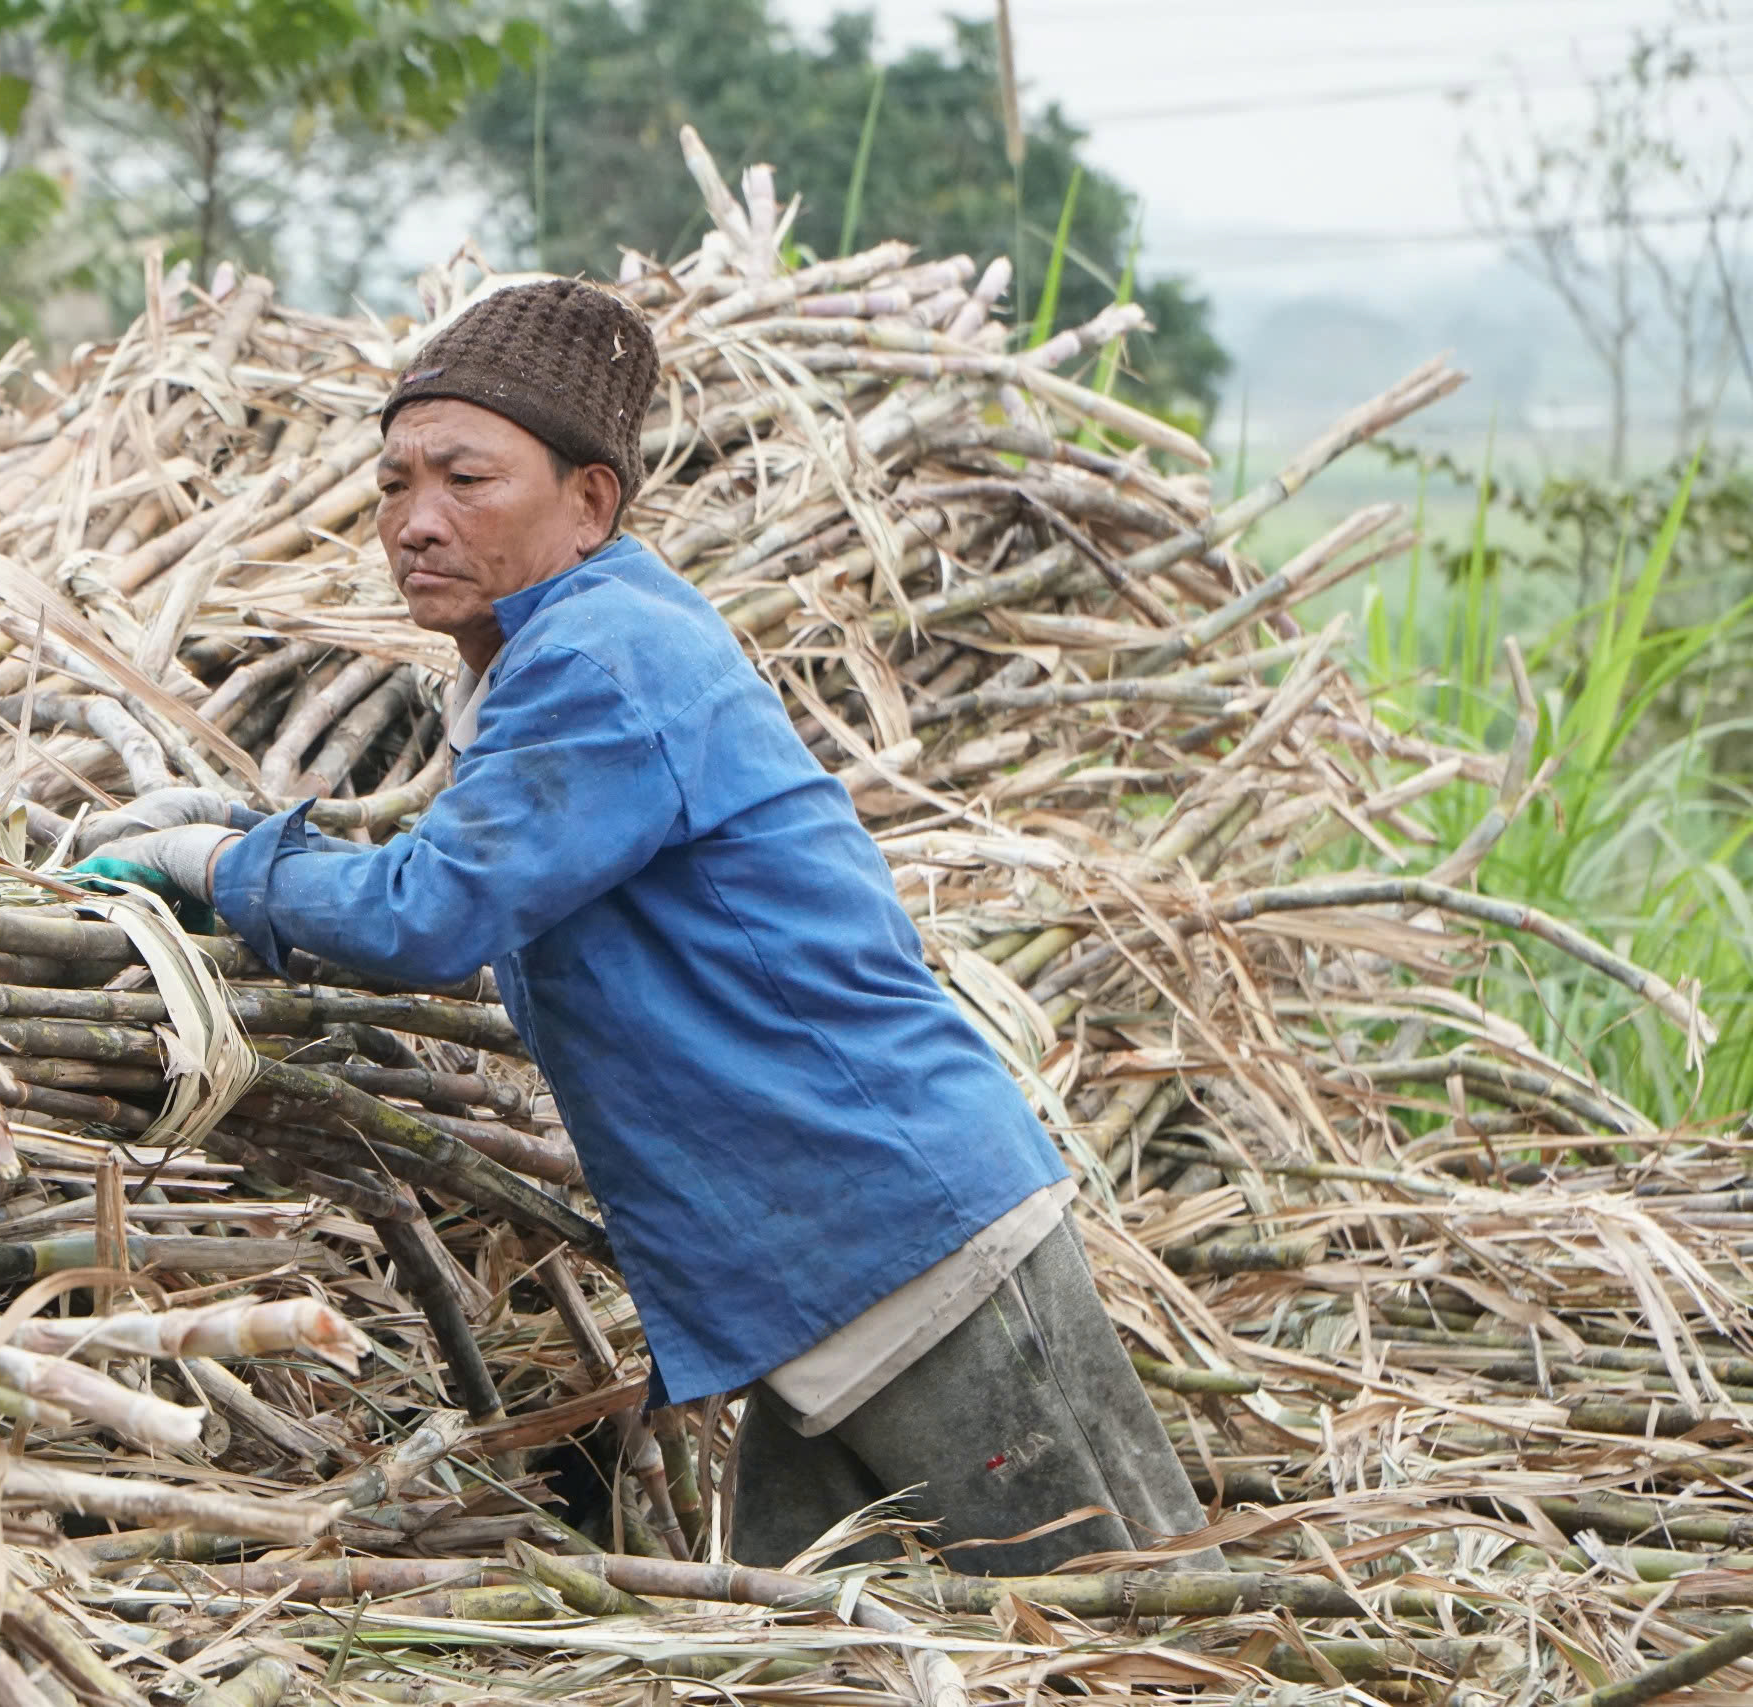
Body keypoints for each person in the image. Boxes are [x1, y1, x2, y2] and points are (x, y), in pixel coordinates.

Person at [76, 278, 1211, 1573]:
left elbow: (431, 916)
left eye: (467, 478)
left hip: (902, 1243)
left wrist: (214, 863)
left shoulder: (598, 662)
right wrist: (239, 832)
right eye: (393, 483)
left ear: (591, 502)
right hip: (830, 1262)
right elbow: (469, 869)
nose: (415, 520)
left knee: (1107, 1629)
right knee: (838, 1655)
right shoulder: (569, 648)